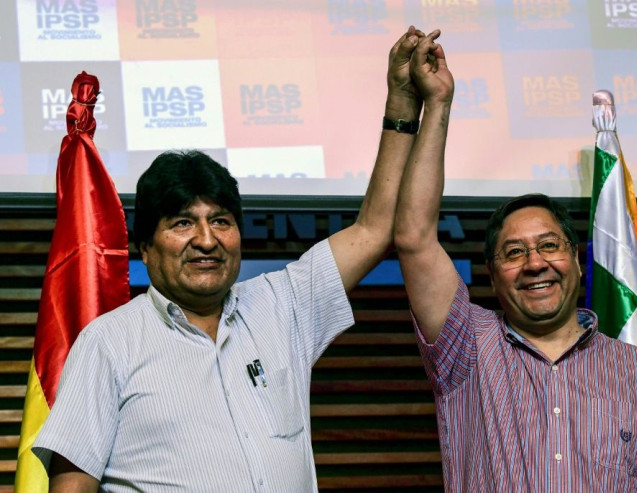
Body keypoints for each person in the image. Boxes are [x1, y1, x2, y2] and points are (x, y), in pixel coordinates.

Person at [32, 27, 429, 492]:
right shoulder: (109, 343)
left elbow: (373, 229)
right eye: (182, 223)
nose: (206, 240)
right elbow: (71, 486)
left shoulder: (284, 306)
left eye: (220, 220)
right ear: (145, 247)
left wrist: (403, 100)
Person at [393, 32, 637, 491]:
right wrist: (437, 104)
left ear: (578, 263)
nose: (535, 263)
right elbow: (414, 238)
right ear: (494, 277)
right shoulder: (468, 349)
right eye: (514, 252)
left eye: (549, 246)